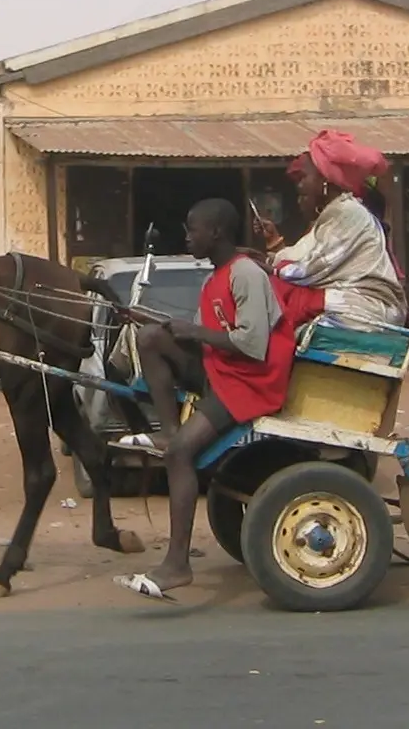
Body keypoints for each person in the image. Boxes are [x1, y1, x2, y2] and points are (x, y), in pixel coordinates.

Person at [111, 198, 297, 599]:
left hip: (249, 382)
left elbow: (252, 344)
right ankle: (168, 431)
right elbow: (201, 335)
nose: (187, 237)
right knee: (150, 338)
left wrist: (192, 334)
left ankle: (177, 564)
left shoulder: (244, 274)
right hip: (223, 371)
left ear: (216, 232)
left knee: (181, 455)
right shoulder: (215, 278)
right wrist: (158, 324)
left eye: (192, 230)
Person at [255, 129, 407, 331]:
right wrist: (274, 243)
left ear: (324, 179)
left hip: (369, 309)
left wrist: (269, 268)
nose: (300, 186)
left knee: (284, 302)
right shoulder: (333, 214)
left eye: (304, 177)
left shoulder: (348, 213)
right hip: (352, 302)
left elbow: (312, 268)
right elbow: (305, 257)